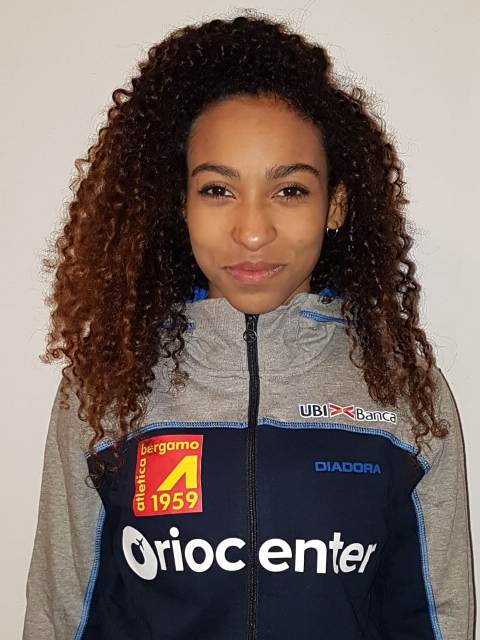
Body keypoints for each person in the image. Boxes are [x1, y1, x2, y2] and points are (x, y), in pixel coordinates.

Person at [23, 11, 474, 640]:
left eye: (290, 190)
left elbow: (437, 618)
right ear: (179, 204)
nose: (254, 231)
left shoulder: (403, 389)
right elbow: (61, 613)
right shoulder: (106, 386)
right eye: (217, 190)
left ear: (335, 206)